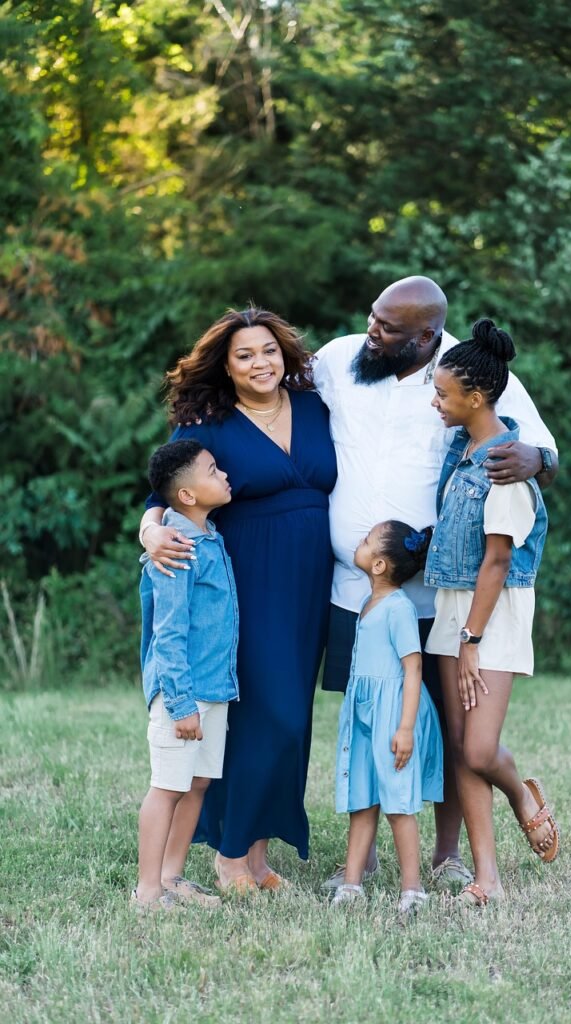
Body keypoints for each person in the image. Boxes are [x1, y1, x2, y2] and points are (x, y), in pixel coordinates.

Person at [313, 276, 558, 890]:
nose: (372, 332)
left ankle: (449, 855)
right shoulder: (340, 359)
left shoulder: (461, 371)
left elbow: (539, 446)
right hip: (361, 591)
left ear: (427, 335)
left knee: (454, 731)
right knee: (369, 714)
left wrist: (535, 460)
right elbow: (266, 389)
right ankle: (364, 852)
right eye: (373, 317)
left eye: (388, 328)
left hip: (446, 600)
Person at [138, 308, 337, 892]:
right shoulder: (211, 422)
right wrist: (151, 532)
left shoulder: (315, 408)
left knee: (289, 717)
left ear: (285, 353)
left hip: (310, 580)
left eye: (269, 351)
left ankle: (255, 853)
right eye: (245, 355)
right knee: (266, 712)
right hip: (243, 577)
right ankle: (228, 854)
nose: (260, 363)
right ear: (225, 366)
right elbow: (159, 490)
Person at [425, 318, 559, 908]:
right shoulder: (463, 450)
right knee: (460, 745)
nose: (435, 402)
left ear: (475, 398)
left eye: (442, 394)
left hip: (491, 615)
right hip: (456, 609)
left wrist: (472, 639)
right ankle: (488, 878)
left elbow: (497, 562)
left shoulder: (505, 463)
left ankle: (522, 797)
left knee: (481, 749)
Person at [133, 439, 239, 911]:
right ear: (188, 496)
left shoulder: (210, 537)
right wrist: (180, 704)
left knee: (196, 783)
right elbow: (169, 634)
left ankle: (172, 877)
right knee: (168, 784)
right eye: (213, 471)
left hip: (214, 687)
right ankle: (148, 890)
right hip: (184, 692)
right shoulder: (175, 549)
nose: (225, 476)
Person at [333, 521, 443, 916]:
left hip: (394, 714)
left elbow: (413, 670)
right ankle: (351, 882)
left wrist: (406, 728)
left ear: (378, 565)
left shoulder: (399, 609)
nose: (358, 543)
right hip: (364, 713)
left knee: (398, 801)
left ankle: (412, 889)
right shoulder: (368, 603)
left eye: (365, 541)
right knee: (362, 799)